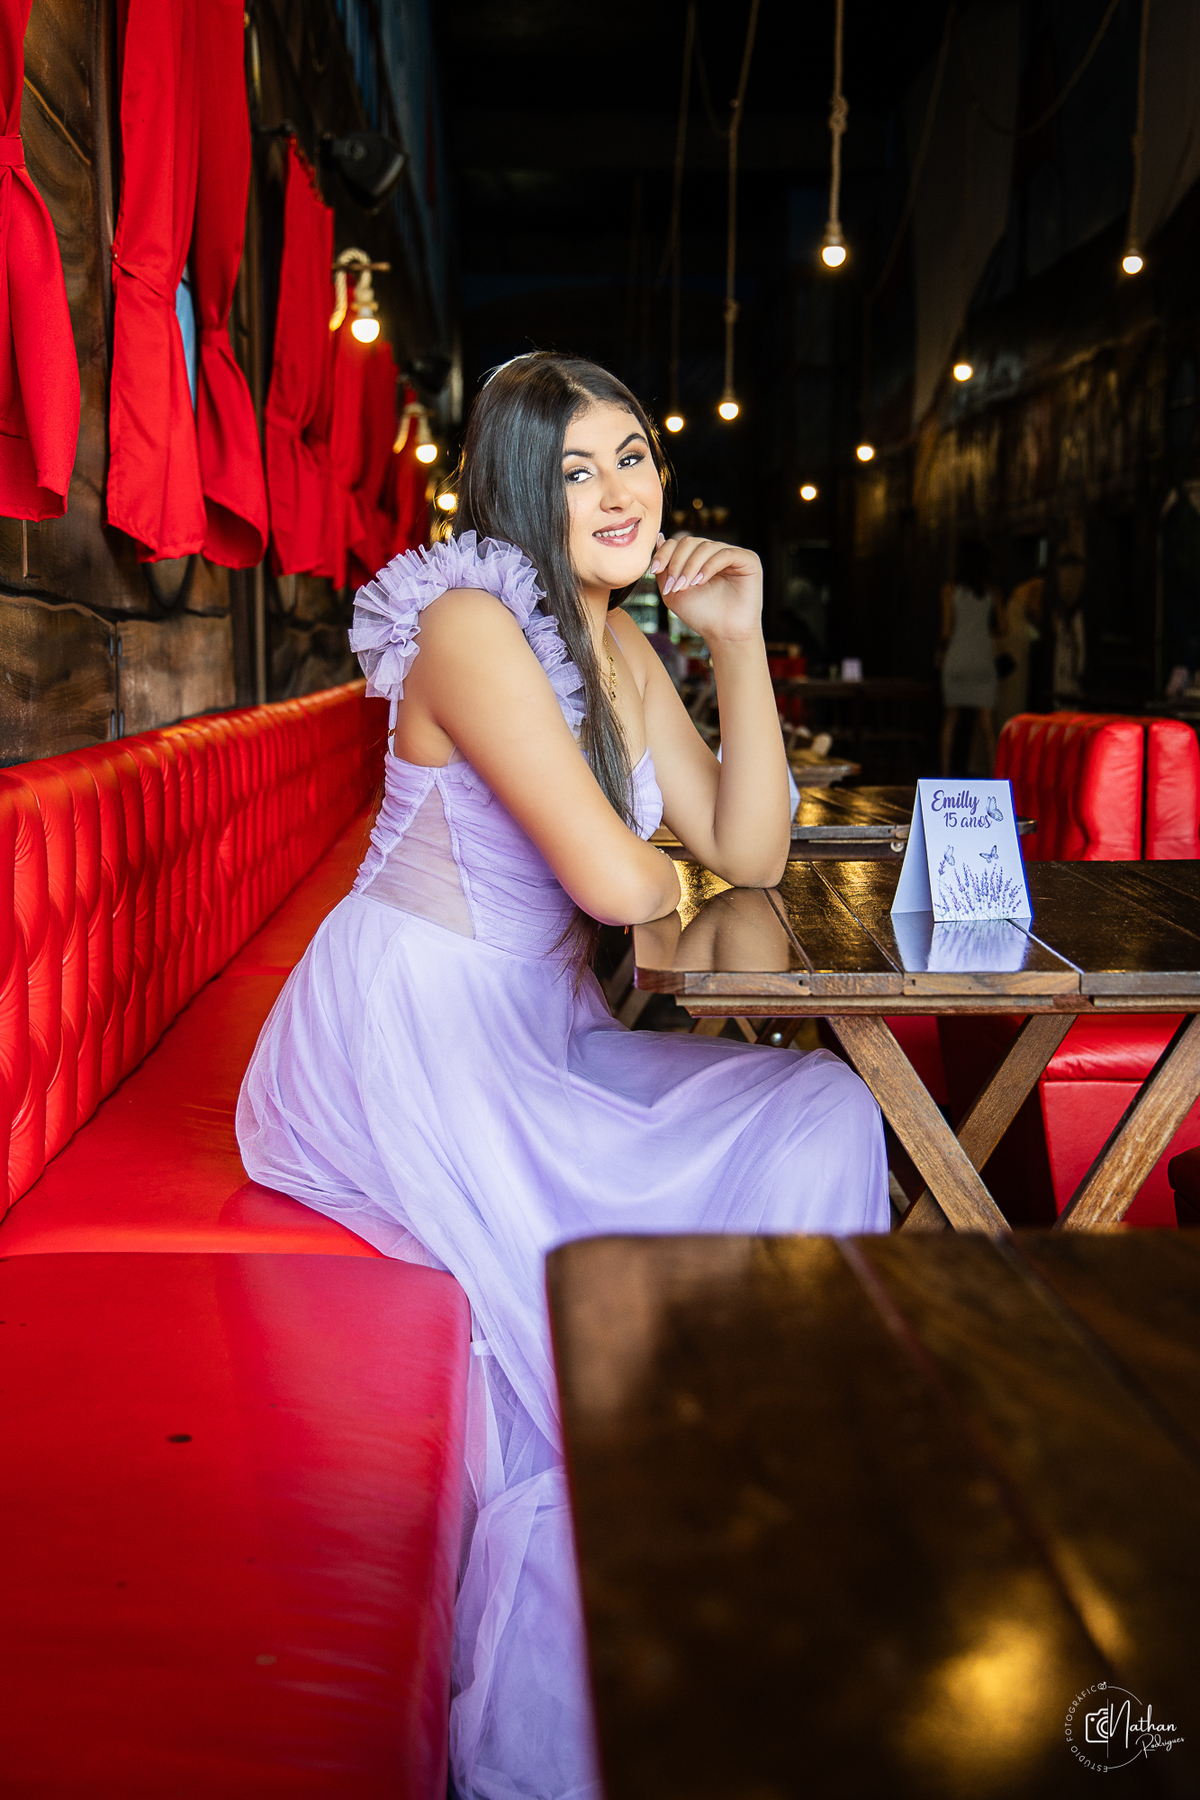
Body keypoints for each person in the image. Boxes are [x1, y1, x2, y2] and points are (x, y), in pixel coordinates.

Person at [237, 352, 888, 1800]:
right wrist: (659, 878)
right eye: (577, 468)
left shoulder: (627, 647)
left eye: (635, 455)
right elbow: (616, 884)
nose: (618, 490)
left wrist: (737, 640)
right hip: (416, 1038)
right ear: (520, 490)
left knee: (824, 1110)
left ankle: (770, 1501)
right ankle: (640, 1626)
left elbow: (750, 852)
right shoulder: (469, 623)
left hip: (544, 1028)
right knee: (589, 1344)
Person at [937, 539, 1002, 775]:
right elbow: (1003, 626)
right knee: (987, 726)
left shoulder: (950, 590)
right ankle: (996, 777)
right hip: (982, 657)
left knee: (950, 719)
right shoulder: (991, 590)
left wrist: (939, 652)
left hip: (958, 656)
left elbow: (947, 629)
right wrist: (983, 631)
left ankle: (945, 775)